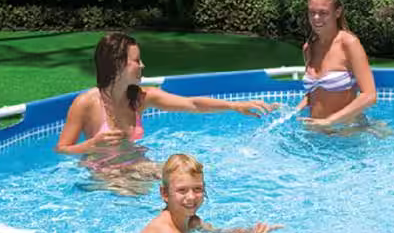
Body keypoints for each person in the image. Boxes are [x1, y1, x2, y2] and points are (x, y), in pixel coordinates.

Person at [56, 32, 278, 157]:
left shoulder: (141, 98)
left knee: (188, 179)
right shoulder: (86, 103)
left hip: (137, 168)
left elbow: (192, 104)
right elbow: (62, 149)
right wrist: (92, 145)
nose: (142, 65)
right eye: (136, 61)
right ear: (117, 64)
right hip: (106, 177)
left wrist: (235, 106)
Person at [127, 153, 280, 233]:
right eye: (182, 190)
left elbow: (219, 231)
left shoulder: (191, 220)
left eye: (197, 189)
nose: (191, 197)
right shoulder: (167, 232)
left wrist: (249, 232)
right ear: (165, 193)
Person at [298, 0, 377, 128]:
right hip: (317, 131)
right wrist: (294, 111)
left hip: (348, 131)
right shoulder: (309, 48)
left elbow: (369, 95)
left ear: (337, 12)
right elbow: (315, 93)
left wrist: (330, 121)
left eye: (323, 13)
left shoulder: (349, 43)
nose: (316, 18)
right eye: (312, 12)